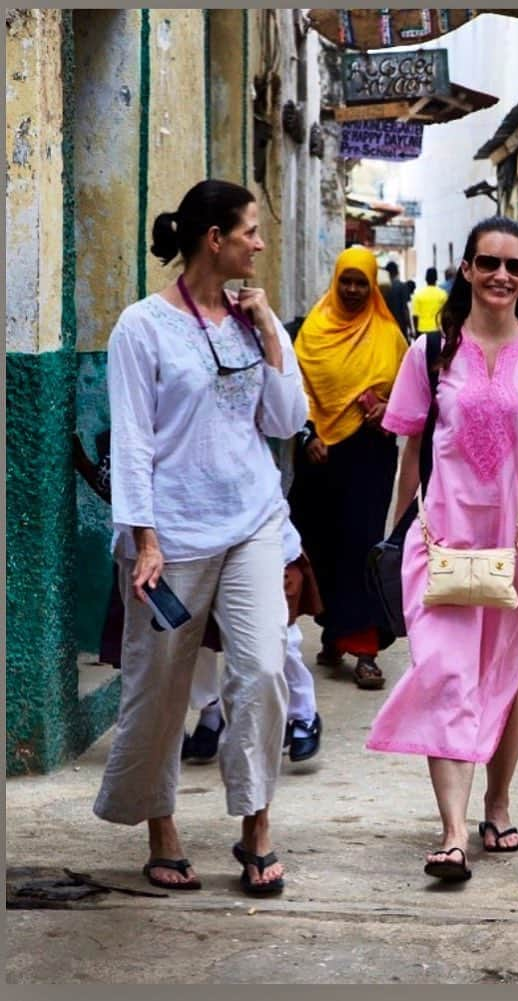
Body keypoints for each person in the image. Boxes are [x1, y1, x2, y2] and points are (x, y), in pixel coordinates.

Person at [92, 179, 308, 896]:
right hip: (172, 534)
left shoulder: (253, 321)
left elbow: (283, 420)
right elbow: (132, 443)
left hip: (250, 521)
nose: (260, 242)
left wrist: (272, 328)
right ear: (215, 238)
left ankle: (256, 825)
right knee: (159, 686)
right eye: (251, 229)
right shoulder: (143, 328)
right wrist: (144, 538)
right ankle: (162, 826)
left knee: (266, 666)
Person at [365, 216, 518, 883]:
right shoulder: (428, 353)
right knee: (448, 673)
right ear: (465, 268)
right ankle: (453, 833)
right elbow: (410, 449)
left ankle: (497, 800)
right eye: (488, 263)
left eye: (515, 267)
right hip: (442, 536)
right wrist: (390, 532)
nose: (500, 276)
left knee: (504, 675)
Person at [288, 247, 409, 690]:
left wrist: (388, 409)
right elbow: (293, 390)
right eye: (347, 282)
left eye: (362, 282)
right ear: (336, 282)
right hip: (319, 455)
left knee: (360, 545)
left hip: (370, 455)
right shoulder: (312, 332)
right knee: (318, 544)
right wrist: (307, 435)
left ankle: (365, 650)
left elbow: (411, 397)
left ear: (373, 284)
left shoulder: (389, 335)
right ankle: (335, 630)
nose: (355, 290)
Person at [182, 513, 324, 765]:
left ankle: (304, 713)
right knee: (194, 637)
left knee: (280, 637)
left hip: (261, 541)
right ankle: (210, 712)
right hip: (194, 545)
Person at [410, 267, 448, 336]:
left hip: (422, 330)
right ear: (436, 279)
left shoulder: (418, 295)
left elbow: (415, 316)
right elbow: (446, 314)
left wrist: (416, 331)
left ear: (426, 279)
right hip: (437, 330)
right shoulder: (443, 294)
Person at [383, 260, 414, 341]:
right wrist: (410, 328)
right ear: (397, 272)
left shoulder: (382, 288)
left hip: (385, 327)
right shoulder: (402, 287)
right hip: (400, 327)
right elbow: (405, 310)